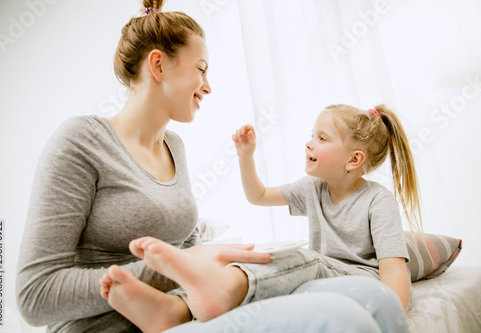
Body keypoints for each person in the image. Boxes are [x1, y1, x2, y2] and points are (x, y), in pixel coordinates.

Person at [15, 1, 274, 332]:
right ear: (158, 65)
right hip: (107, 327)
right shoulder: (81, 141)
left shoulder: (174, 146)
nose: (208, 86)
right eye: (201, 68)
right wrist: (177, 267)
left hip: (184, 316)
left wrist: (208, 256)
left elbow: (184, 244)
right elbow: (35, 296)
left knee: (299, 267)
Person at [99, 103, 417, 332]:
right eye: (312, 134)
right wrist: (246, 157)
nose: (309, 142)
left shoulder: (378, 201)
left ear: (354, 159)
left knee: (305, 258)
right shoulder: (313, 188)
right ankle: (177, 309)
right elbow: (259, 196)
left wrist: (395, 315)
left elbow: (394, 272)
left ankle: (212, 293)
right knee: (274, 258)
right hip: (321, 275)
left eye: (322, 138)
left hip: (358, 280)